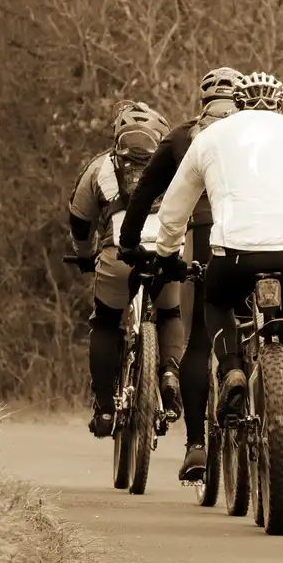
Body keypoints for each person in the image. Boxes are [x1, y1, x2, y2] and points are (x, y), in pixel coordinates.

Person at [148, 71, 283, 491]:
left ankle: (233, 368)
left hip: (232, 252)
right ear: (280, 103)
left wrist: (165, 254)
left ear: (238, 102)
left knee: (214, 306)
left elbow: (175, 207)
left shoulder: (210, 138)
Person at [116, 66, 244, 482]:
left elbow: (146, 193)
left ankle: (196, 446)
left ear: (203, 102)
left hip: (207, 236)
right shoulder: (265, 133)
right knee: (278, 332)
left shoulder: (184, 137)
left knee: (201, 338)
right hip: (269, 239)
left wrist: (130, 242)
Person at [67, 100, 185, 437]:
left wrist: (84, 254)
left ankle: (105, 407)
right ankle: (169, 374)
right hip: (166, 253)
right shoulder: (177, 164)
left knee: (105, 322)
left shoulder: (100, 167)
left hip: (117, 255)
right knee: (170, 313)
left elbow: (79, 217)